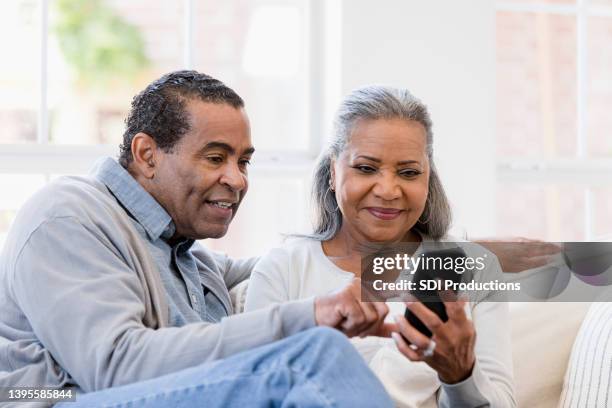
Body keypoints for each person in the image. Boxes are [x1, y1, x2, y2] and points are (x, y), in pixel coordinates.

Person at [0, 71, 396, 407]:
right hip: (60, 399)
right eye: (215, 158)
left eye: (243, 162)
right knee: (306, 362)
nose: (238, 180)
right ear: (147, 154)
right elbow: (116, 366)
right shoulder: (67, 216)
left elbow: (297, 264)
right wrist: (310, 317)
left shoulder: (186, 254)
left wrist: (435, 262)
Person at [245, 85, 517, 407]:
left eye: (409, 172)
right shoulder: (283, 270)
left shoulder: (474, 269)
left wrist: (460, 374)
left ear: (428, 178)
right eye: (366, 168)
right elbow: (253, 396)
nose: (388, 190)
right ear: (333, 171)